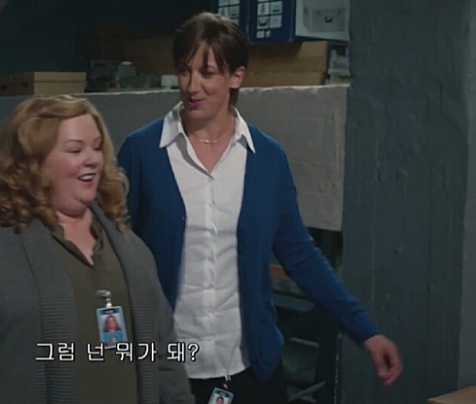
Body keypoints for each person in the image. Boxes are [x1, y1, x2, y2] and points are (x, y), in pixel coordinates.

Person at [116, 11, 403, 404]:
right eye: (184, 71)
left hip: (250, 371)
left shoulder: (267, 159)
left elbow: (301, 256)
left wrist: (365, 331)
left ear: (236, 77)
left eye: (207, 73)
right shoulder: (142, 151)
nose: (192, 86)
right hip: (168, 373)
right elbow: (112, 255)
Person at [0, 95, 194, 404]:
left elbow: (165, 356)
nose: (93, 159)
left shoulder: (131, 249)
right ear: (33, 163)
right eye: (75, 150)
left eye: (97, 147)